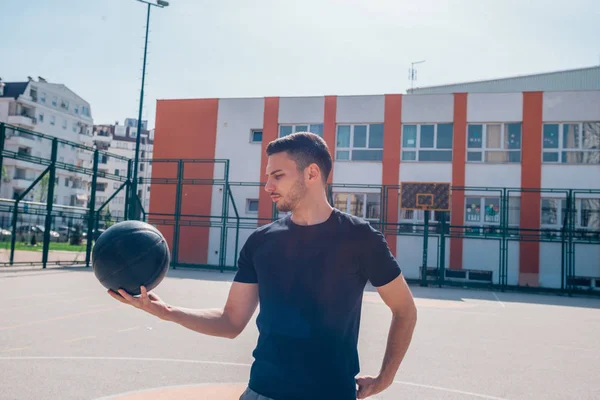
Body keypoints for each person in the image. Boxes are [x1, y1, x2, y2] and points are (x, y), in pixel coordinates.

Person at [109, 132, 417, 400]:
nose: (267, 185)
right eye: (267, 175)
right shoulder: (261, 242)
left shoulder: (360, 238)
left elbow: (404, 309)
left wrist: (384, 377)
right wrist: (166, 312)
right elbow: (231, 322)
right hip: (262, 392)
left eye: (278, 175)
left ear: (311, 173)